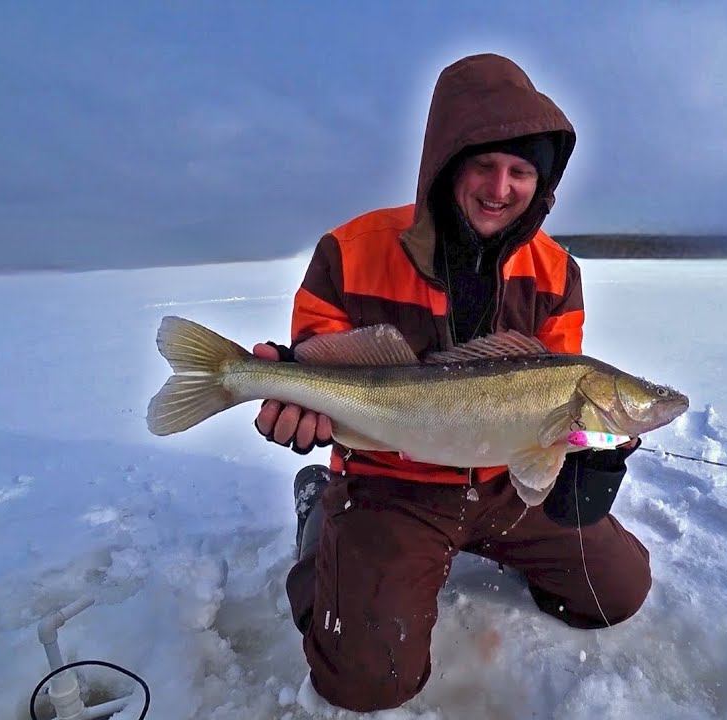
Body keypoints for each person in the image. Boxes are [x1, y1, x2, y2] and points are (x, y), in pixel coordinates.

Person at [251, 53, 652, 712]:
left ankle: (489, 543)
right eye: (483, 165)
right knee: (364, 681)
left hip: (502, 487)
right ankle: (322, 524)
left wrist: (589, 454)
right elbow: (314, 363)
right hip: (390, 483)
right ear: (446, 164)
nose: (501, 187)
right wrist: (294, 391)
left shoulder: (557, 273)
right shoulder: (350, 250)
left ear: (541, 184)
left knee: (618, 592)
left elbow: (556, 400)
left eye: (521, 171)